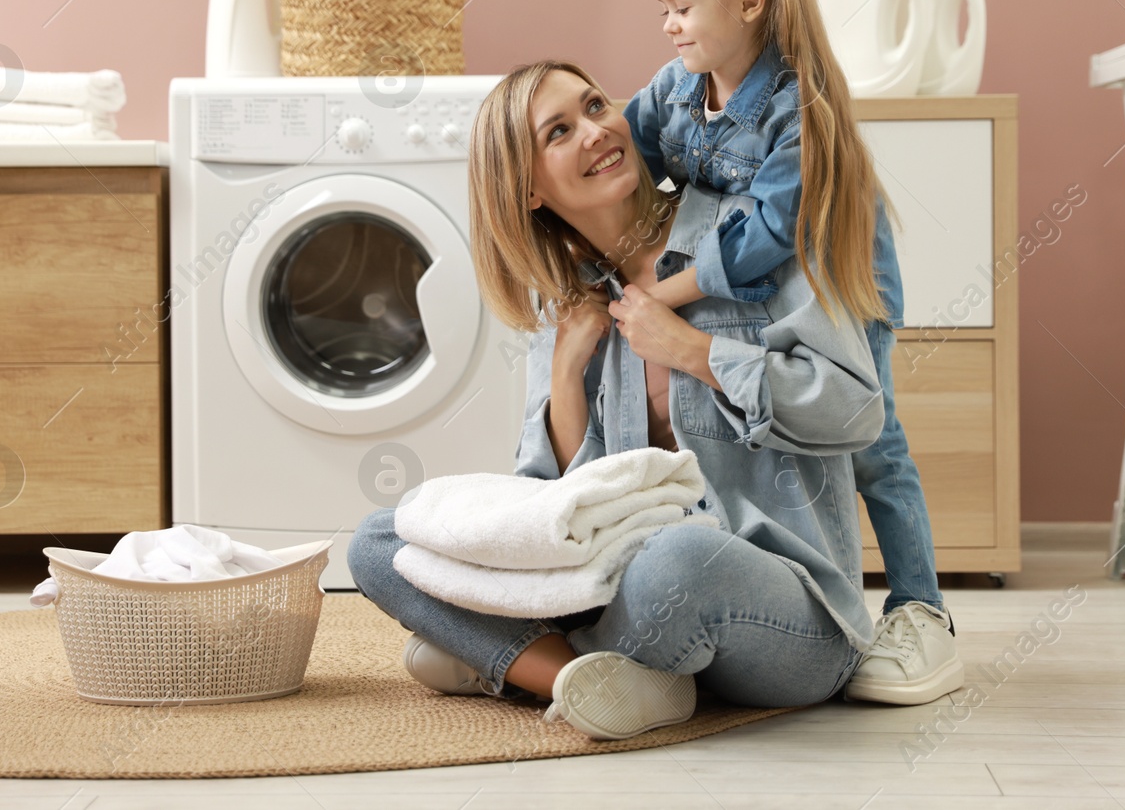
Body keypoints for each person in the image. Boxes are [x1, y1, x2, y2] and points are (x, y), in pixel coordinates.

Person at [348, 60, 888, 740]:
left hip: (784, 611)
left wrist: (692, 349)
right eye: (560, 131)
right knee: (384, 539)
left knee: (677, 558)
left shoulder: (754, 234)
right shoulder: (570, 298)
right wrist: (569, 370)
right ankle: (582, 677)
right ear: (528, 190)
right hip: (620, 588)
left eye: (596, 105)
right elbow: (550, 508)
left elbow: (856, 408)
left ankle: (510, 659)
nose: (598, 130)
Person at [622, 0, 961, 703]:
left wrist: (657, 292)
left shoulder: (795, 107)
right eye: (661, 9)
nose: (668, 26)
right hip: (758, 287)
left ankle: (923, 610)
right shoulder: (679, 89)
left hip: (841, 276)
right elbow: (627, 152)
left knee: (869, 437)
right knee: (761, 415)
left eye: (681, 7)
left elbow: (766, 235)